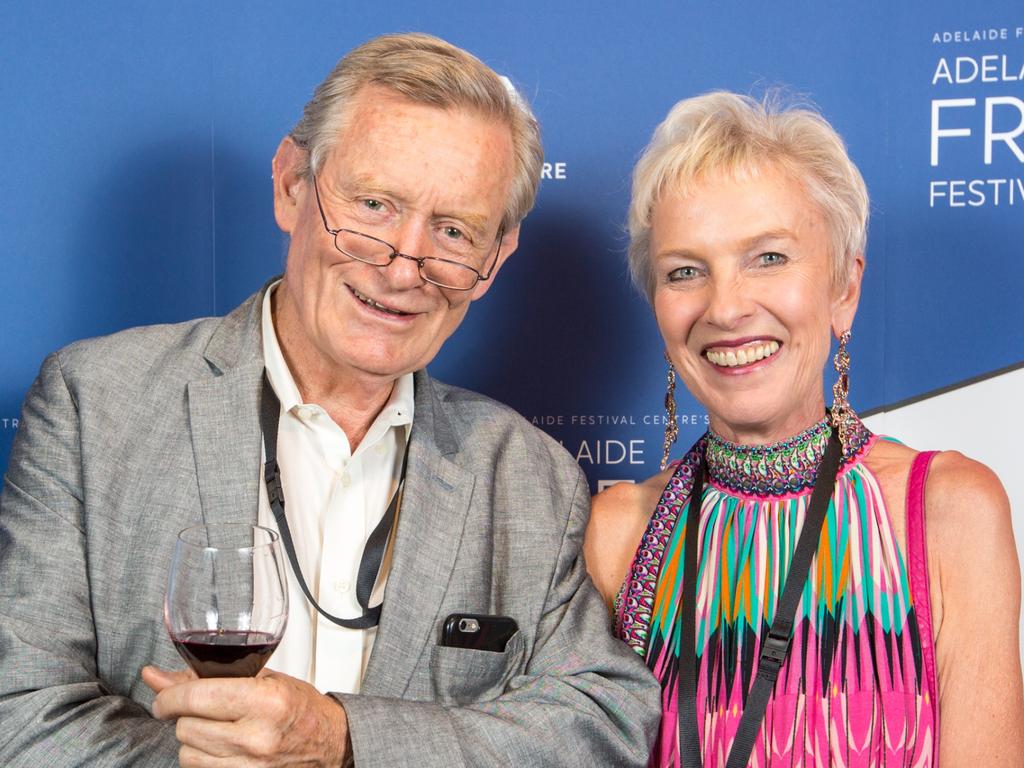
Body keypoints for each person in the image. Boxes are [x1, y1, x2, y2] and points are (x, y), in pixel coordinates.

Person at [0, 33, 659, 767]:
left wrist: (344, 741)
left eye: (452, 231)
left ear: (494, 259)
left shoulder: (529, 478)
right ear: (290, 186)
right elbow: (20, 713)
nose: (403, 264)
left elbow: (598, 723)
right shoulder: (96, 405)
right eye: (374, 204)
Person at [585, 91, 1024, 766]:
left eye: (768, 257)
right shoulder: (619, 531)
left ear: (843, 288)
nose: (726, 307)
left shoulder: (949, 510)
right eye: (685, 271)